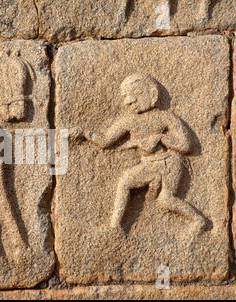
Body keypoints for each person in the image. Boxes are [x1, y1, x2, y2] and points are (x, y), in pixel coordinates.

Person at [72, 73, 206, 233]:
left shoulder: (165, 117)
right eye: (126, 96)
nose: (129, 101)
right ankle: (115, 227)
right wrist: (85, 133)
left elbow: (185, 146)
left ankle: (198, 220)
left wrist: (162, 138)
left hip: (169, 163)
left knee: (166, 200)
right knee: (125, 182)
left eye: (136, 94)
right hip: (149, 164)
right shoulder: (128, 121)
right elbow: (105, 141)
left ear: (151, 94)